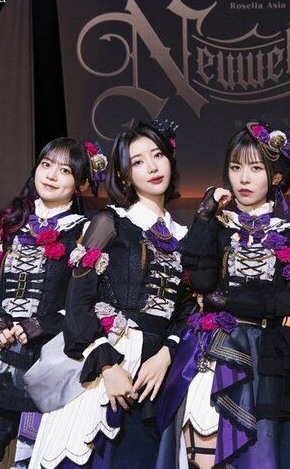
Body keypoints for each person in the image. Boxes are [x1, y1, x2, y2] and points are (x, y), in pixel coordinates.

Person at [155, 117, 290, 469]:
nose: (244, 178)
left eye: (256, 168)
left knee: (260, 453)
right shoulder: (218, 226)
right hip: (212, 348)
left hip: (267, 356)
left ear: (276, 176)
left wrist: (231, 301)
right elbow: (200, 281)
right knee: (198, 448)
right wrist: (204, 217)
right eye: (235, 168)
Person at [28, 120, 191, 468]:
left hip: (157, 376)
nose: (152, 167)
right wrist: (107, 365)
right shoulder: (109, 222)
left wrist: (167, 352)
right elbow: (77, 301)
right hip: (105, 364)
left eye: (158, 155)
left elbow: (186, 309)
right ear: (124, 175)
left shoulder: (184, 236)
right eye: (138, 161)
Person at [0, 137, 97, 468]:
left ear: (80, 183)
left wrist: (42, 324)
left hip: (48, 364)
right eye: (46, 164)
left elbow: (86, 299)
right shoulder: (10, 225)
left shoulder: (84, 233)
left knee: (35, 457)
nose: (51, 175)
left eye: (65, 170)